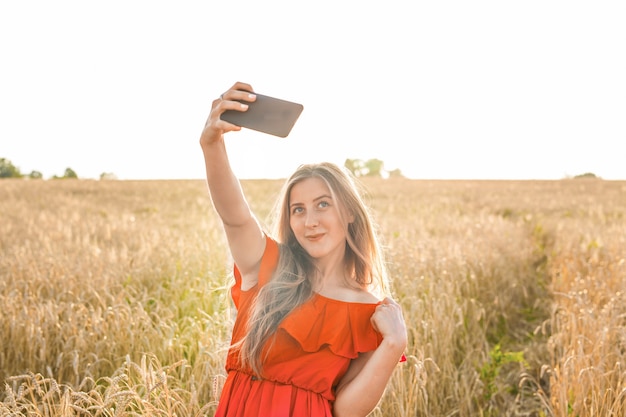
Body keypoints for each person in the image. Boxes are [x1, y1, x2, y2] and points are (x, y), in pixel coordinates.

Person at [200, 81, 407, 417]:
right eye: (298, 209)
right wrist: (212, 145)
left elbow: (346, 411)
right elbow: (235, 217)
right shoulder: (268, 266)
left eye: (323, 205)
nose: (310, 220)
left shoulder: (371, 313)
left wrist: (393, 344)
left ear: (350, 212)